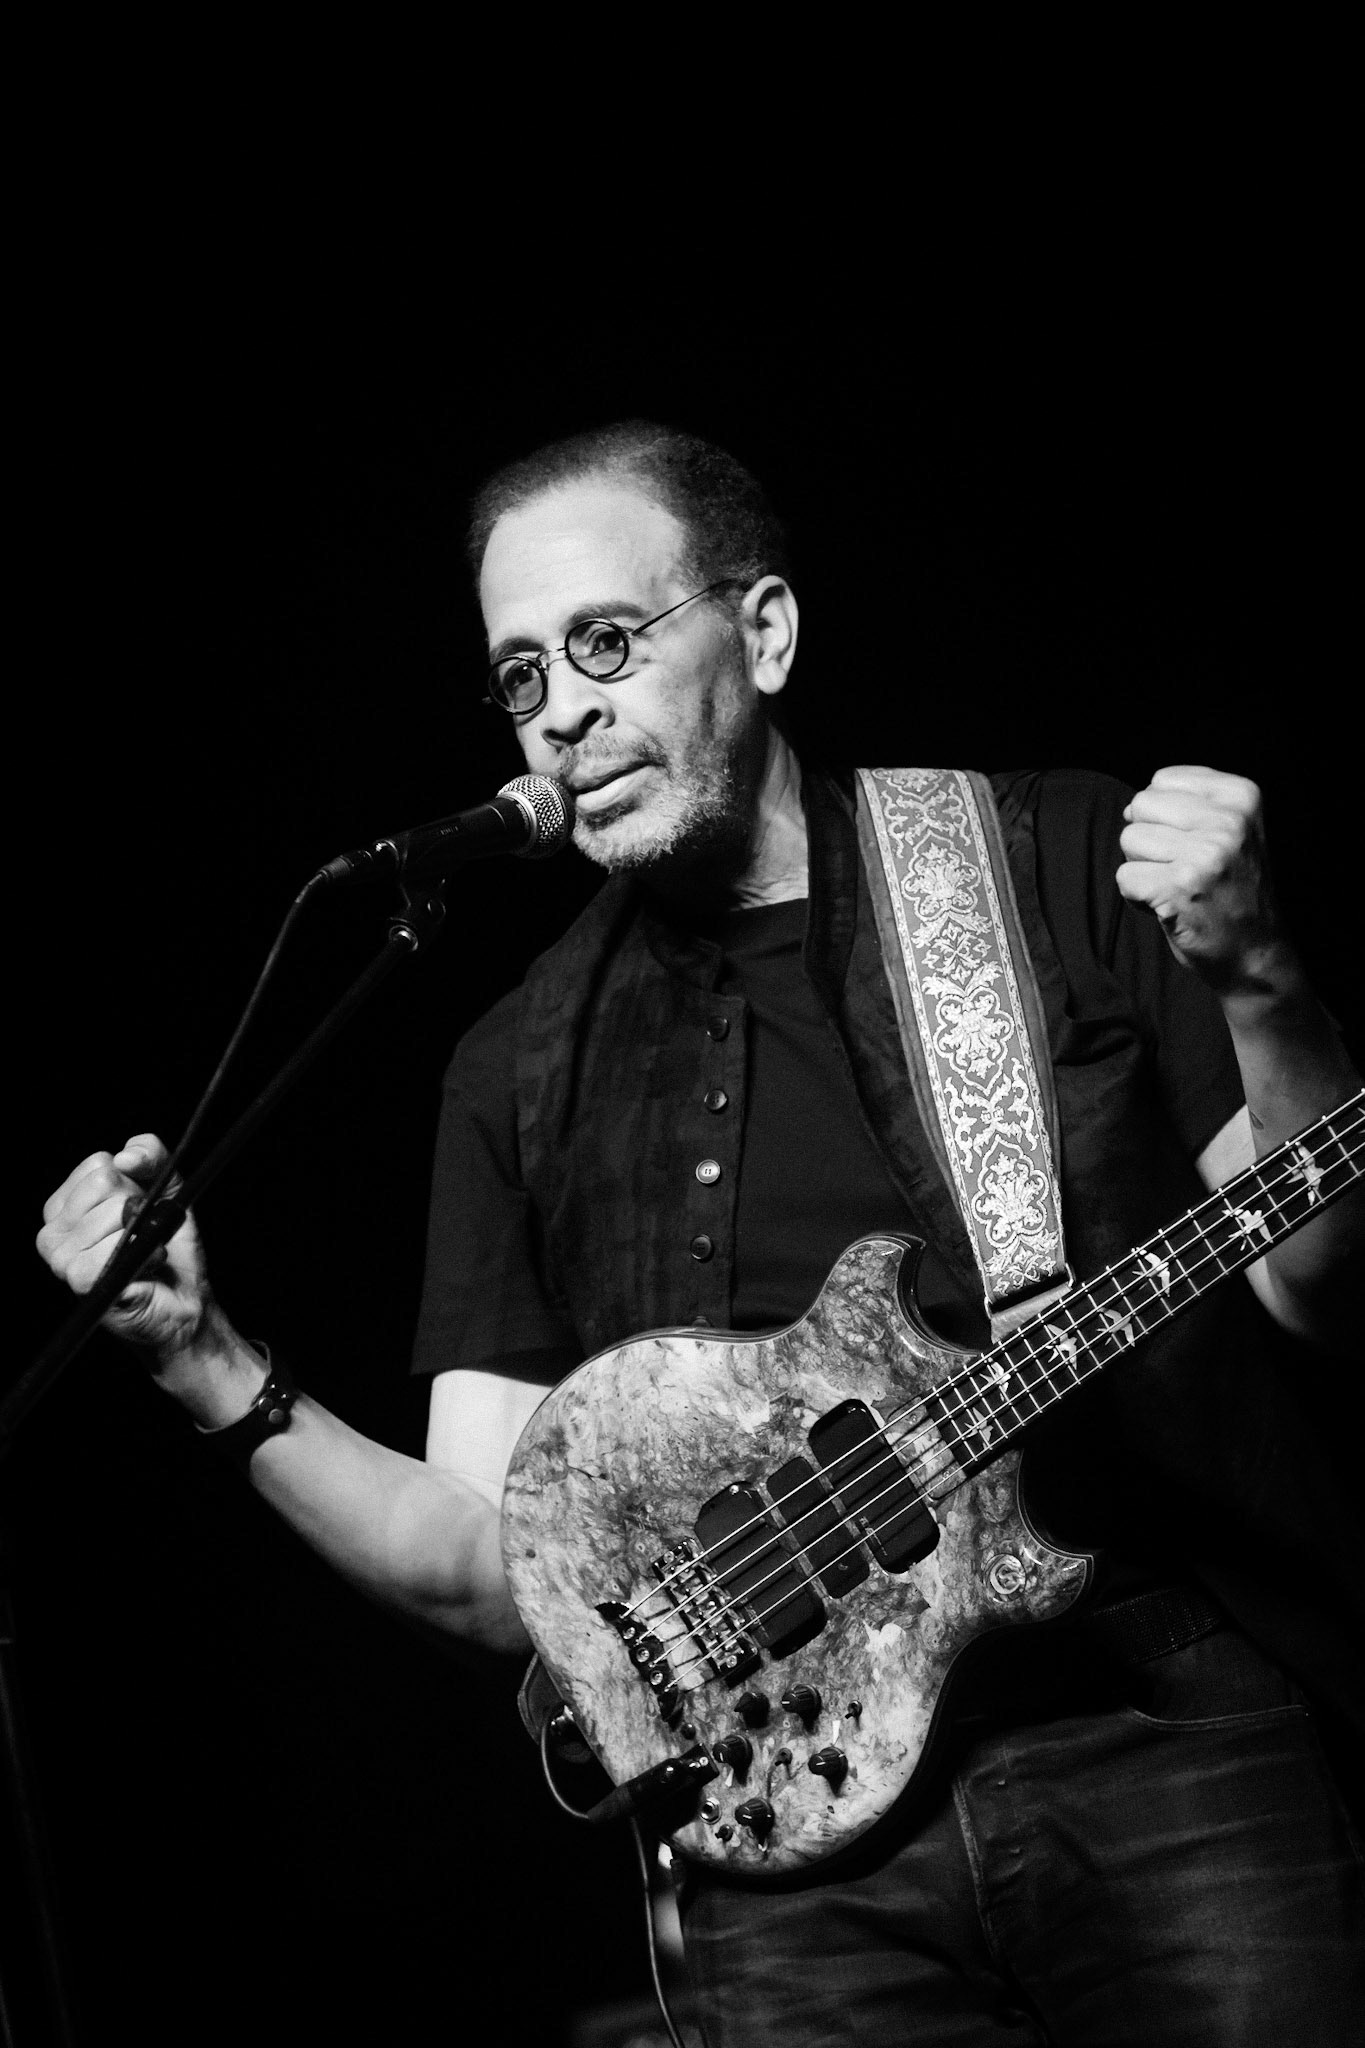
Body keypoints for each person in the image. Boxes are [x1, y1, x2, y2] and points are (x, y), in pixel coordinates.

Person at [37, 423, 1364, 2045]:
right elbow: (487, 1563)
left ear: (765, 634)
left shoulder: (1041, 862)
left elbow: (1317, 1276)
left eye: (605, 640)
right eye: (521, 675)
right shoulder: (513, 1071)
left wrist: (1261, 986)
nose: (564, 711)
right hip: (791, 1873)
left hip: (1150, 1740)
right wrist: (201, 1359)